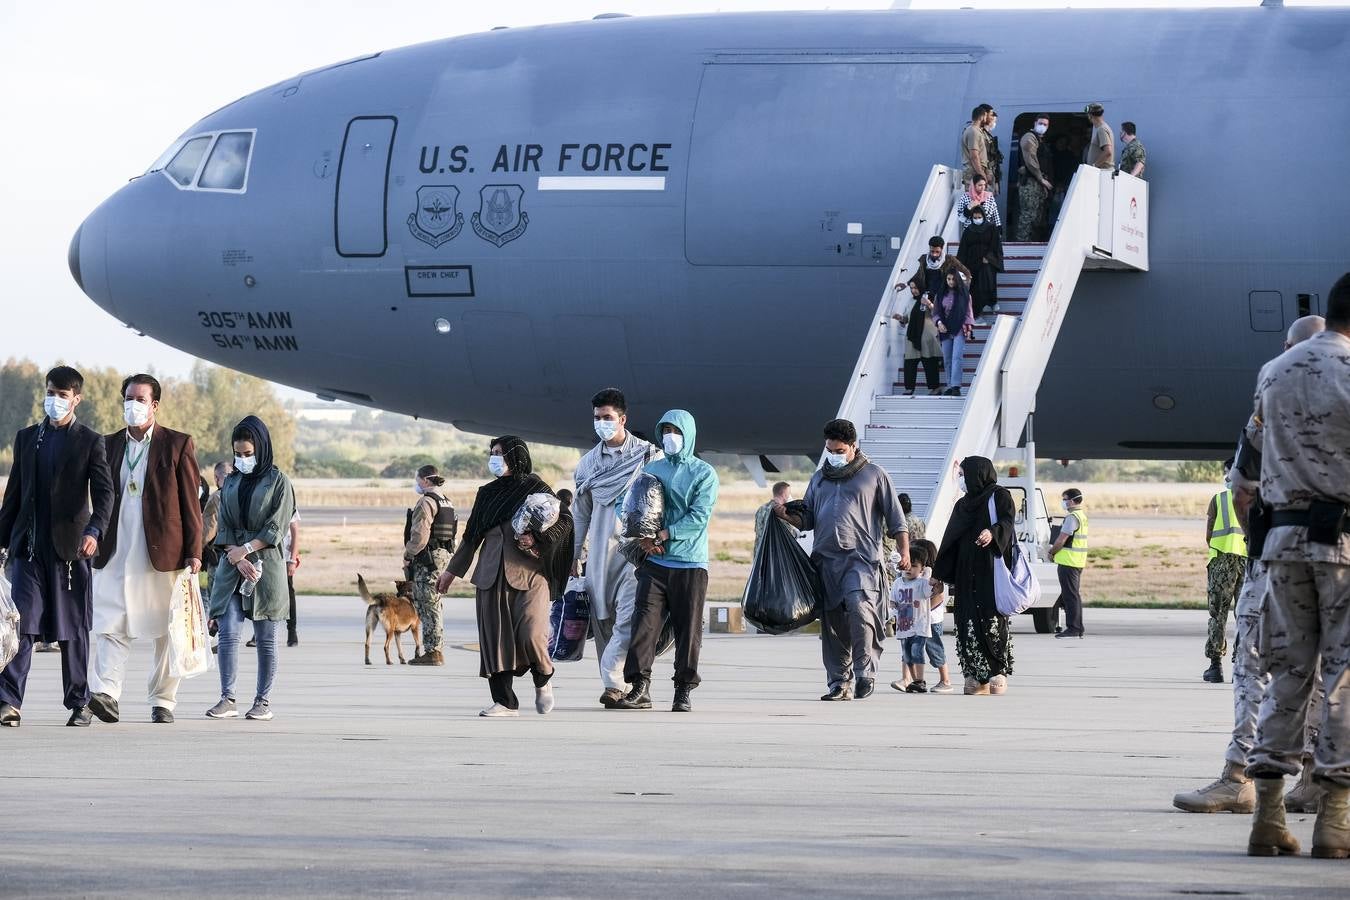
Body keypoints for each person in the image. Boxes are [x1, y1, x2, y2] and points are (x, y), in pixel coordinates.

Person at [1173, 316, 1329, 817]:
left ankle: (1240, 777)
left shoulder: (1275, 394)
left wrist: (1263, 540)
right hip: (1339, 557)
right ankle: (1318, 779)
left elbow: (1241, 488)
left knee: (1254, 665)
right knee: (1325, 672)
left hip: (1278, 557)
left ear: (1289, 349)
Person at [1239, 273, 1350, 859]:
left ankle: (1268, 815)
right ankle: (1334, 821)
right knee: (1343, 680)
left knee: (1287, 674)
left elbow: (1243, 479)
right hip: (1344, 549)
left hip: (1280, 546)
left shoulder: (1273, 371)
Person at [0, 366, 114, 728]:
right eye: (51, 392)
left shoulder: (90, 441)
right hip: (29, 550)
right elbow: (14, 495)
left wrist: (95, 530)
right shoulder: (27, 437)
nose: (55, 400)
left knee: (72, 629)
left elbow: (104, 494)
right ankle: (8, 701)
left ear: (76, 398)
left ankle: (79, 702)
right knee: (22, 625)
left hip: (70, 551)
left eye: (62, 394)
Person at [87, 374, 203, 726]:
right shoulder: (107, 445)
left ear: (154, 405)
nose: (132, 405)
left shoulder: (177, 444)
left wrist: (195, 551)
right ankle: (106, 693)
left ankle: (163, 700)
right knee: (110, 622)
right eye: (128, 398)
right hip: (115, 549)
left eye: (140, 399)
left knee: (167, 631)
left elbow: (190, 504)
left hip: (162, 554)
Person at [438, 437, 572, 717]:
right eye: (492, 453)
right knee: (494, 640)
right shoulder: (486, 493)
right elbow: (471, 537)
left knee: (532, 633)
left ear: (516, 456)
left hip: (530, 573)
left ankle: (544, 675)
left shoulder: (536, 488)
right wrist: (451, 572)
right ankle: (505, 702)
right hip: (490, 574)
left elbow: (563, 521)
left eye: (500, 453)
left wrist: (537, 540)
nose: (494, 458)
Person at [777, 418, 907, 702]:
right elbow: (808, 518)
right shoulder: (820, 479)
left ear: (852, 447)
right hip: (826, 561)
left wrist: (905, 552)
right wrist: (786, 515)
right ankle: (838, 682)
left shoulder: (874, 475)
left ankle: (865, 673)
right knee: (833, 623)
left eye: (838, 451)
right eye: (829, 450)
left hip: (860, 559)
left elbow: (896, 520)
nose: (833, 456)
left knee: (861, 611)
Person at [617, 410, 719, 713]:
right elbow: (628, 505)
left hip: (690, 564)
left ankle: (683, 689)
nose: (669, 437)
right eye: (665, 430)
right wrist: (643, 537)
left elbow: (699, 518)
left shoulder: (704, 473)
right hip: (655, 564)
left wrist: (663, 535)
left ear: (688, 434)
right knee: (644, 625)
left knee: (689, 631)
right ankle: (639, 686)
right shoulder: (653, 468)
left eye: (675, 431)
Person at [571, 388, 660, 708]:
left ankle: (612, 680)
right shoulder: (587, 465)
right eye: (597, 419)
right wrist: (573, 555)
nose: (602, 424)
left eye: (607, 418)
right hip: (598, 555)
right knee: (603, 620)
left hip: (635, 552)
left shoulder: (649, 456)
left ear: (623, 419)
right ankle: (618, 687)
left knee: (627, 617)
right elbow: (580, 515)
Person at [204, 416, 297, 722]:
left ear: (261, 449)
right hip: (232, 566)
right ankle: (227, 698)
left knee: (265, 637)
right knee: (229, 632)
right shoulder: (231, 481)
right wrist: (235, 554)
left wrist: (247, 550)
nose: (242, 460)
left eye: (247, 454)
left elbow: (276, 526)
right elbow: (224, 524)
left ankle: (262, 701)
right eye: (238, 455)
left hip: (265, 567)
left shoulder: (279, 482)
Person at [933, 457, 1016, 696]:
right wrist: (938, 575)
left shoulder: (999, 496)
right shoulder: (963, 504)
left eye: (963, 474)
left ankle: (996, 672)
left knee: (991, 619)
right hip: (965, 572)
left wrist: (993, 533)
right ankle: (973, 674)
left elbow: (1008, 522)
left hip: (990, 570)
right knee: (966, 620)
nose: (960, 479)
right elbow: (950, 538)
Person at [404, 465, 457, 666]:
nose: (417, 483)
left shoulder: (427, 501)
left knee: (427, 602)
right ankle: (434, 648)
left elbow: (420, 535)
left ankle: (433, 651)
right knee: (433, 601)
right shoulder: (447, 501)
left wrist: (408, 554)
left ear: (426, 480)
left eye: (418, 479)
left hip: (428, 559)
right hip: (442, 556)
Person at [1202, 459, 1247, 683]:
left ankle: (1215, 666)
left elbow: (1209, 534)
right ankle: (1241, 664)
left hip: (1221, 560)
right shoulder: (1255, 498)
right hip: (1248, 561)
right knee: (1245, 615)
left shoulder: (1218, 499)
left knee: (1218, 614)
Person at [890, 541, 952, 694]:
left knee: (934, 649)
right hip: (912, 621)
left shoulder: (932, 577)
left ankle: (945, 680)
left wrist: (921, 612)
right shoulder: (909, 577)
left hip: (930, 621)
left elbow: (938, 597)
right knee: (909, 649)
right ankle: (907, 679)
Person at [1050, 488, 1089, 639]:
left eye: (1065, 499)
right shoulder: (1082, 516)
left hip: (1068, 562)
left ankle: (1073, 628)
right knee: (1074, 595)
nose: (1063, 501)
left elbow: (1061, 539)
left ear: (1072, 500)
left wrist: (1052, 552)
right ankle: (1078, 628)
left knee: (1070, 596)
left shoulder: (1072, 517)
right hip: (1077, 562)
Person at [892, 281, 943, 396]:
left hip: (927, 336)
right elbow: (906, 319)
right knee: (910, 362)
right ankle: (909, 388)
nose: (913, 290)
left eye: (915, 288)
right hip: (912, 335)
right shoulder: (911, 301)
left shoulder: (929, 298)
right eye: (911, 288)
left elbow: (938, 313)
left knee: (930, 361)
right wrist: (900, 318)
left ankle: (935, 388)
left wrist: (928, 304)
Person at [957, 203, 1004, 320]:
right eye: (975, 217)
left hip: (987, 262)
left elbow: (995, 245)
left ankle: (992, 302)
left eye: (979, 217)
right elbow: (963, 249)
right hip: (972, 262)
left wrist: (988, 257)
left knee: (987, 280)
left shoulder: (991, 228)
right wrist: (960, 266)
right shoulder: (968, 230)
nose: (977, 219)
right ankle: (977, 312)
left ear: (983, 216)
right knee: (975, 287)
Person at [934, 270, 975, 397]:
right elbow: (935, 313)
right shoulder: (940, 295)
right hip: (944, 329)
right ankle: (950, 385)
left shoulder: (965, 295)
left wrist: (969, 329)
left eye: (953, 279)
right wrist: (939, 323)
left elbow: (969, 314)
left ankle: (956, 386)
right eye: (948, 279)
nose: (951, 282)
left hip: (959, 328)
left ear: (957, 279)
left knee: (957, 357)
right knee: (947, 358)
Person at [1017, 115, 1054, 241]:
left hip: (1039, 184)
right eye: (1040, 123)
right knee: (1028, 216)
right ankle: (1021, 246)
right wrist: (1040, 178)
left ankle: (1031, 242)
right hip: (1031, 182)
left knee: (1037, 218)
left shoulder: (1040, 140)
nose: (1042, 126)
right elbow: (1030, 160)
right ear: (1035, 123)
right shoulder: (1029, 137)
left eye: (1045, 124)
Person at [913, 236, 972, 307]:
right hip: (929, 295)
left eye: (937, 252)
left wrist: (961, 290)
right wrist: (906, 284)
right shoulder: (924, 259)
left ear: (942, 249)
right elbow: (918, 275)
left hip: (944, 296)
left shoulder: (949, 259)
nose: (934, 254)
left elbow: (966, 273)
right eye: (932, 251)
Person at [754, 482, 793, 553]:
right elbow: (789, 534)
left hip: (760, 554)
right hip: (774, 555)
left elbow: (758, 531)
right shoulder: (780, 511)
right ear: (784, 494)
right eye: (789, 493)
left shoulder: (761, 509)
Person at [961, 104, 992, 188]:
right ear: (982, 117)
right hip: (974, 172)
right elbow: (974, 156)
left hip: (976, 171)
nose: (986, 119)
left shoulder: (976, 131)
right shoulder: (973, 132)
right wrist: (982, 174)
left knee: (980, 200)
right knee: (974, 200)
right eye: (985, 116)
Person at [1084, 103, 1115, 170]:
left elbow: (1108, 152)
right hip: (1101, 171)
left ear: (1090, 115)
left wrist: (1094, 166)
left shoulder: (1102, 129)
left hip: (1101, 172)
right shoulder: (1104, 128)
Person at [984, 108, 1003, 196]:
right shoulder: (981, 136)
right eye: (993, 121)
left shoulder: (990, 138)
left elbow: (995, 161)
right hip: (985, 177)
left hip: (991, 175)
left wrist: (996, 182)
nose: (994, 124)